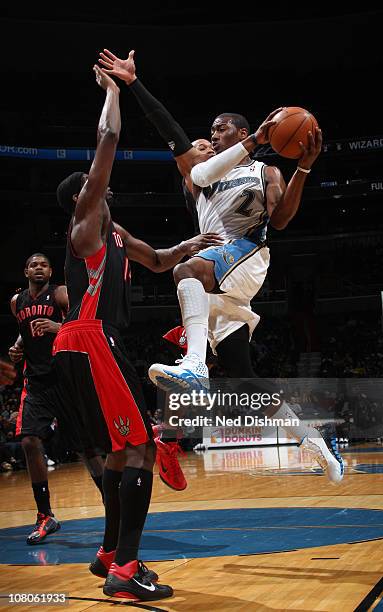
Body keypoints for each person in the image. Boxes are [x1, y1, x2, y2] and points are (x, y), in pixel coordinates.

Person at [98, 49, 344, 485]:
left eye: (219, 127)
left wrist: (303, 165)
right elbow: (168, 128)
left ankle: (189, 381)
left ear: (244, 131)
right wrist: (135, 85)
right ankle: (314, 444)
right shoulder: (200, 171)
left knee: (185, 272)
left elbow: (282, 219)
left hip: (246, 254)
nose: (210, 134)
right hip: (219, 274)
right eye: (208, 131)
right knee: (247, 380)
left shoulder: (266, 170)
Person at [53, 65, 220, 602]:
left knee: (124, 453)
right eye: (95, 187)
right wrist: (112, 92)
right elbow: (108, 137)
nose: (103, 187)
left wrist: (195, 244)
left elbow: (158, 259)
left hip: (92, 342)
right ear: (85, 198)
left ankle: (109, 554)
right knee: (143, 449)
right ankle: (126, 572)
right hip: (90, 338)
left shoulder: (115, 235)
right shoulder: (85, 225)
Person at [8, 253, 105, 544]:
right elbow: (25, 333)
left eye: (44, 264)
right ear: (25, 270)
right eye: (33, 264)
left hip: (66, 379)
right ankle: (45, 516)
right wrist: (16, 347)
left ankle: (113, 505)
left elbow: (85, 326)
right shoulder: (17, 302)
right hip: (36, 381)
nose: (38, 268)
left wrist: (57, 328)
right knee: (28, 441)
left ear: (50, 271)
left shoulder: (60, 294)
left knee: (86, 449)